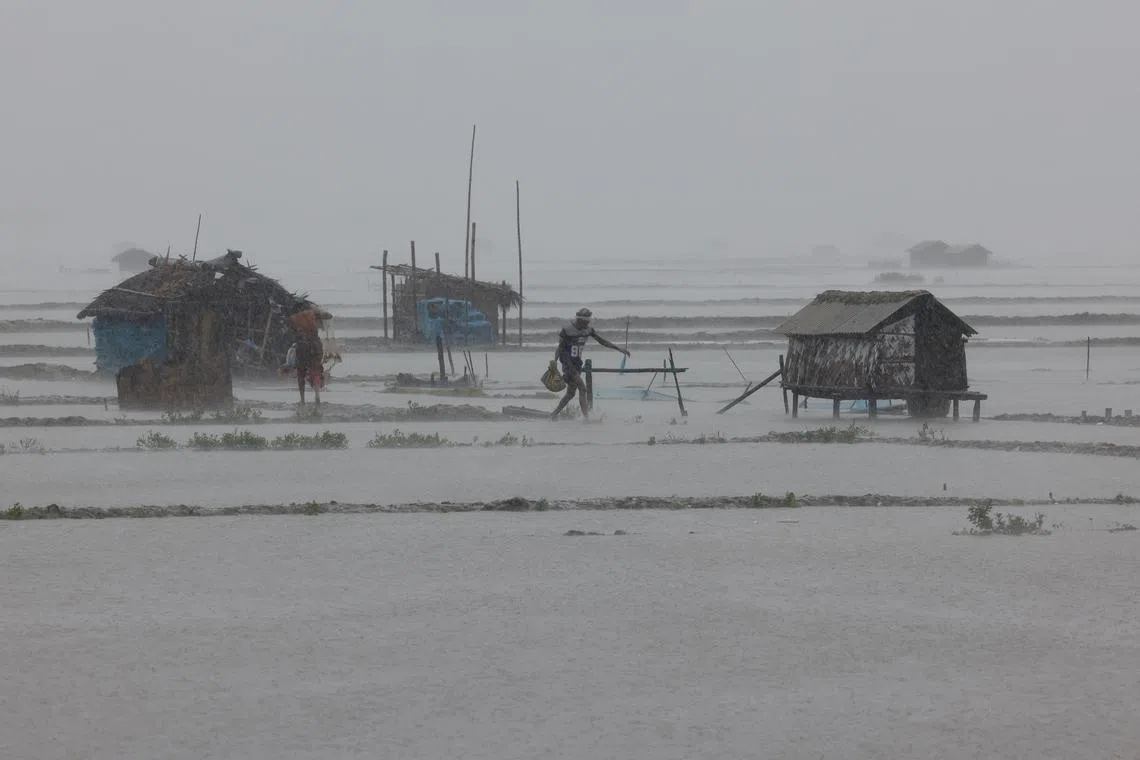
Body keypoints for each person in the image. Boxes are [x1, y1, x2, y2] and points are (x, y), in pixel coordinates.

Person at [551, 308, 630, 420]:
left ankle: (553, 414)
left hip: (577, 363)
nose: (587, 324)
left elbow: (602, 341)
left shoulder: (588, 330)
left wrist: (619, 349)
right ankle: (586, 419)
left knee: (570, 394)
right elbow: (559, 348)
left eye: (588, 322)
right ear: (579, 320)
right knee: (583, 389)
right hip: (568, 363)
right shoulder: (567, 330)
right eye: (585, 322)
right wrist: (554, 362)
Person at [287, 308, 324, 405]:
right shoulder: (313, 315)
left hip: (302, 347)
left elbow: (291, 328)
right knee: (316, 371)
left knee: (301, 373)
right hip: (315, 347)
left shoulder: (294, 318)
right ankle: (317, 396)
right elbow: (327, 317)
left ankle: (302, 399)